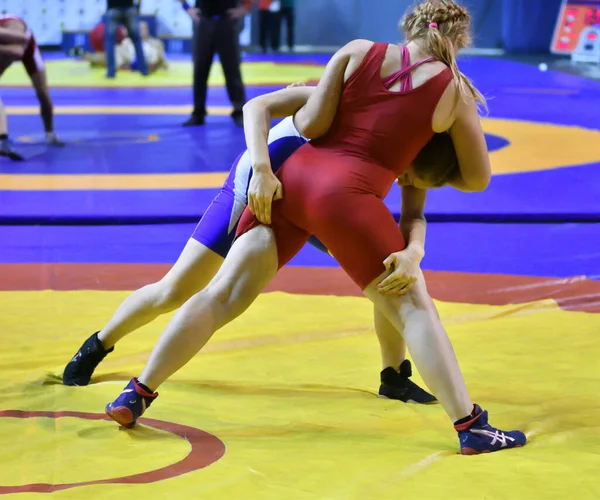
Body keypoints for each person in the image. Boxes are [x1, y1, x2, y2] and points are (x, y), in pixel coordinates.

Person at [103, 0, 527, 456]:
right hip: (346, 196)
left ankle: (138, 391)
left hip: (289, 179)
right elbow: (478, 179)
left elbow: (311, 124)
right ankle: (471, 426)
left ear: (409, 28)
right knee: (412, 307)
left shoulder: (358, 50)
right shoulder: (455, 89)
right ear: (459, 41)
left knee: (221, 295)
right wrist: (415, 161)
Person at [62, 82, 461, 406]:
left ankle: (394, 375)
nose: (400, 179)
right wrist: (260, 171)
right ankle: (98, 344)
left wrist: (415, 251)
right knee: (176, 289)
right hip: (262, 188)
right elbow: (257, 107)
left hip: (321, 202)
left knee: (391, 272)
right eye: (404, 175)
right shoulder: (348, 94)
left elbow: (413, 215)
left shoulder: (411, 138)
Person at [179, 0, 254, 127]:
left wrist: (245, 8)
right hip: (204, 19)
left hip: (227, 20)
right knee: (200, 68)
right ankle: (198, 112)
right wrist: (187, 8)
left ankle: (239, 111)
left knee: (232, 68)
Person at [0, 15, 64, 161]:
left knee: (42, 92)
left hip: (27, 47)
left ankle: (50, 133)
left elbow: (20, 47)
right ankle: (2, 139)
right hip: (6, 49)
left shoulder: (11, 26)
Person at [76, 21, 167, 74]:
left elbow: (161, 59)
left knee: (154, 56)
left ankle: (86, 55)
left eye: (143, 28)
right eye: (138, 28)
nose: (141, 30)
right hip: (126, 58)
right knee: (109, 55)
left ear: (148, 30)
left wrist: (156, 65)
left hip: (146, 60)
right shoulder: (127, 41)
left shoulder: (156, 43)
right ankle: (84, 54)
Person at [104, 0, 148, 78]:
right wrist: (138, 7)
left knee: (110, 41)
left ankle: (110, 72)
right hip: (129, 8)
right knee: (137, 40)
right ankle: (144, 70)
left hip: (113, 8)